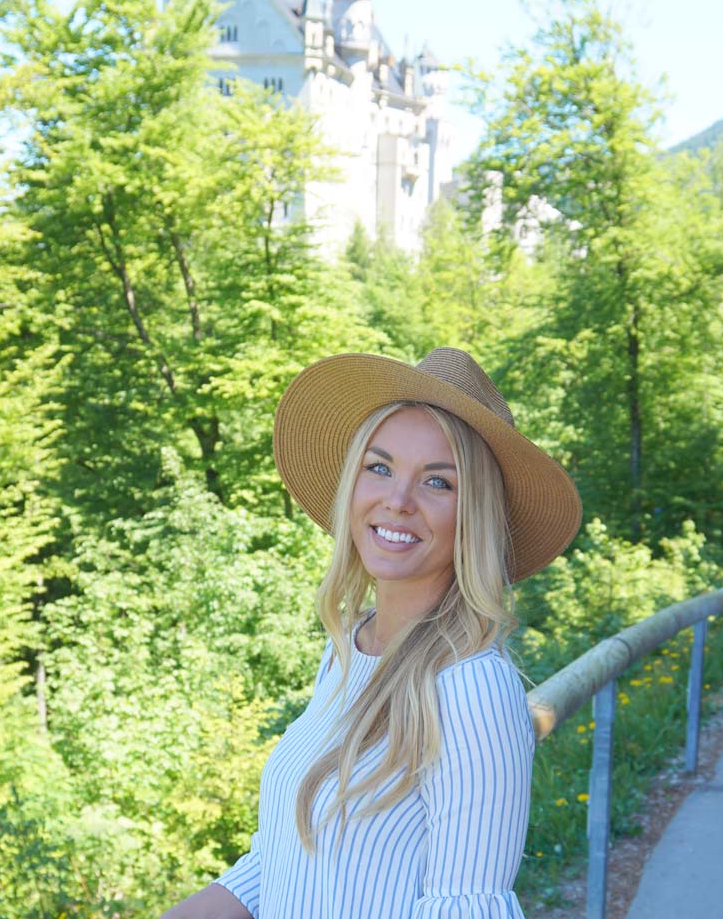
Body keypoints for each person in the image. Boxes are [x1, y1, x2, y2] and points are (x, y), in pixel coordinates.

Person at [161, 348, 582, 918]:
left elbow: (464, 907)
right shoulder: (347, 651)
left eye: (438, 482)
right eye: (379, 468)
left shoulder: (472, 687)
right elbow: (283, 861)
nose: (398, 501)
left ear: (473, 514)